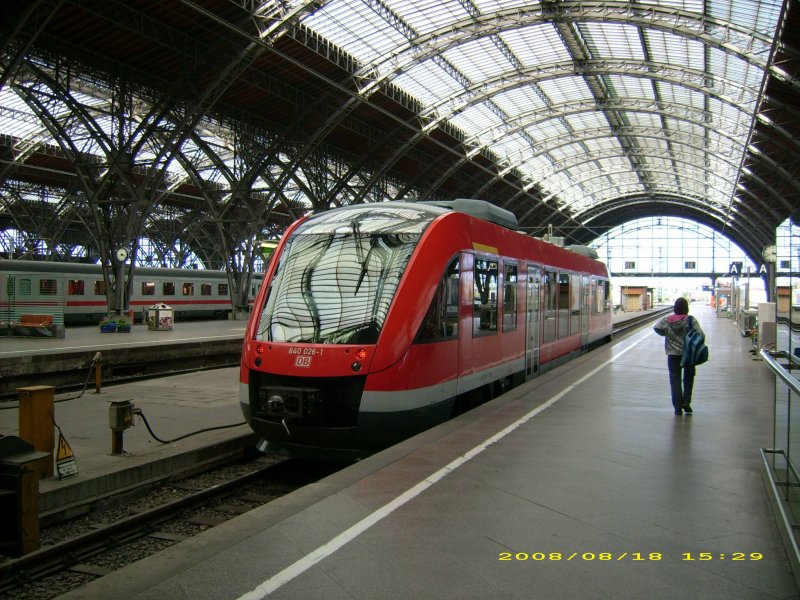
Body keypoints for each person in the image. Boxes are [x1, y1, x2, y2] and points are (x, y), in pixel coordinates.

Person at [653, 297, 704, 415]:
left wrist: (666, 333)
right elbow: (700, 334)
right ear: (687, 308)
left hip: (672, 354)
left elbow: (657, 327)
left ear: (675, 308)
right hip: (688, 354)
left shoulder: (667, 320)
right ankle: (686, 402)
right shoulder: (691, 320)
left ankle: (677, 407)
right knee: (688, 378)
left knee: (675, 380)